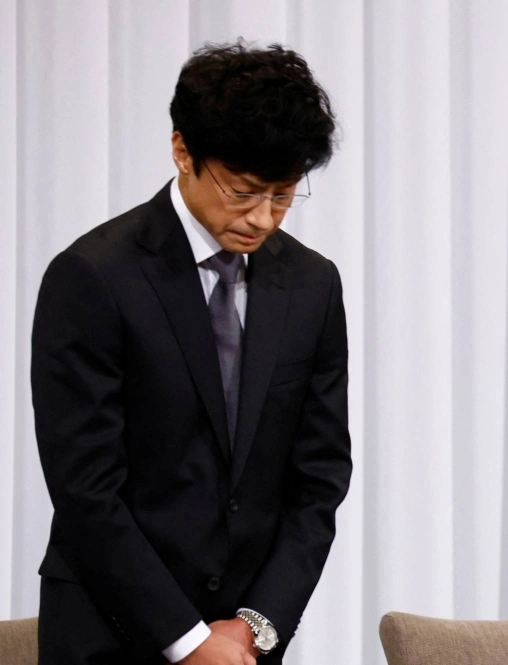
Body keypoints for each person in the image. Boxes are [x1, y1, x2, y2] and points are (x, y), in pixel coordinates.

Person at [31, 41, 351, 665]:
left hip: (246, 644)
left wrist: (256, 624)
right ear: (182, 151)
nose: (263, 219)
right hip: (109, 632)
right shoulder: (93, 276)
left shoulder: (313, 284)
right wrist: (188, 639)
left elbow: (320, 478)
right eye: (243, 191)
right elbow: (85, 489)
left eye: (284, 195)